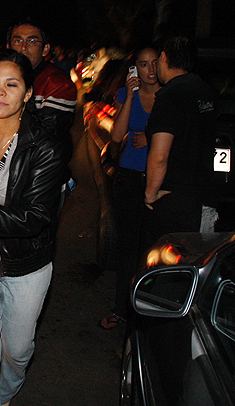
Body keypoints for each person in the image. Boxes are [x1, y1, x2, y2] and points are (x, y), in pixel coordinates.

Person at [0, 49, 66, 406]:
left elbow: (33, 217)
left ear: (28, 93)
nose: (0, 92)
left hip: (23, 265)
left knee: (17, 350)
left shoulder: (43, 146)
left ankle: (6, 392)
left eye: (12, 84)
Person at [99, 46, 160, 330]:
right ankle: (122, 309)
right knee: (128, 248)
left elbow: (180, 134)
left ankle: (150, 312)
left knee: (154, 247)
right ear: (135, 69)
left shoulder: (169, 96)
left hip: (158, 180)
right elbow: (116, 135)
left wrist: (151, 137)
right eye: (143, 64)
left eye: (154, 63)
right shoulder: (127, 94)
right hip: (130, 177)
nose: (150, 70)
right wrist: (131, 94)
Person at [143, 36, 217, 250]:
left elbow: (160, 155)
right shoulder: (206, 92)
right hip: (204, 198)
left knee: (166, 262)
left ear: (164, 58)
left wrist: (150, 194)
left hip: (175, 202)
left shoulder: (170, 97)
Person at [6, 18, 77, 209]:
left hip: (39, 182)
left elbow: (44, 138)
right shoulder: (2, 79)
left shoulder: (57, 84)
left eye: (32, 41)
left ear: (45, 49)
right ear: (9, 46)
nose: (23, 47)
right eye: (17, 40)